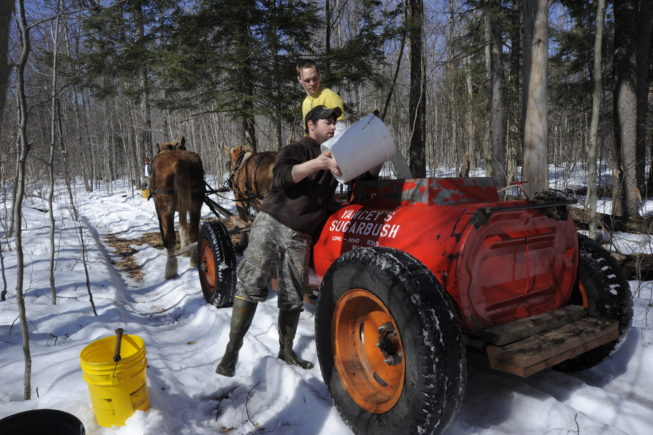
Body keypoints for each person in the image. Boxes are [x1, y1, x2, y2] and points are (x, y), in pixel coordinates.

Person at [216, 105, 344, 377]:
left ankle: (286, 350)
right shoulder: (298, 149)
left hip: (301, 235)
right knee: (251, 282)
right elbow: (283, 177)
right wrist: (318, 163)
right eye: (327, 122)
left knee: (293, 296)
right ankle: (231, 352)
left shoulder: (335, 160)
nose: (333, 127)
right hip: (271, 223)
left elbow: (322, 198)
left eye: (335, 123)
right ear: (311, 125)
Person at [296, 59, 347, 135]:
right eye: (307, 80)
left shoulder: (330, 96)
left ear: (319, 75)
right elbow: (308, 133)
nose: (312, 83)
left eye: (315, 78)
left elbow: (339, 132)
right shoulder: (305, 102)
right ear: (299, 79)